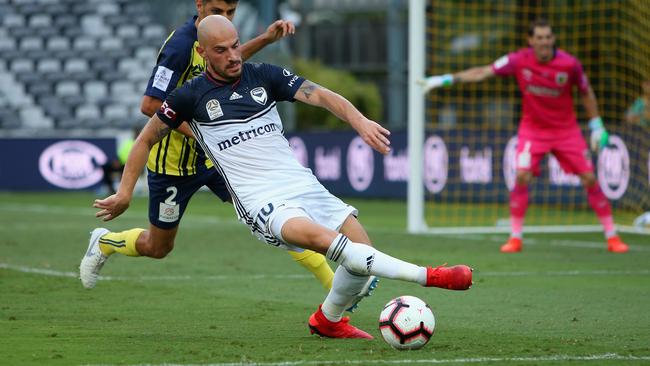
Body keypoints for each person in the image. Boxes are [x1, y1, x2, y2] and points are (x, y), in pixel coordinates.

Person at [93, 15, 473, 339]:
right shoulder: (189, 96)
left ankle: (328, 321)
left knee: (359, 256)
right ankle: (433, 276)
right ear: (202, 53)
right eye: (221, 50)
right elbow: (144, 139)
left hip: (302, 183)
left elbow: (323, 95)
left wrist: (359, 121)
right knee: (332, 244)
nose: (233, 56)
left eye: (236, 46)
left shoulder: (264, 76)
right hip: (261, 202)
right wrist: (125, 192)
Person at [80, 0, 353, 304]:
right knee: (158, 247)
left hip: (219, 157)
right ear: (199, 5)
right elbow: (150, 105)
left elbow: (226, 63)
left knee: (274, 208)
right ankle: (106, 241)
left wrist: (265, 38)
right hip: (173, 164)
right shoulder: (182, 45)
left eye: (231, 12)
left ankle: (337, 292)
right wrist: (202, 129)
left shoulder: (217, 42)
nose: (225, 18)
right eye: (217, 11)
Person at [421, 18, 629, 253]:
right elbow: (483, 72)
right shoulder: (518, 59)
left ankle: (612, 237)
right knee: (521, 175)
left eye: (548, 37)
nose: (544, 42)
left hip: (565, 130)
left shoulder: (570, 64)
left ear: (553, 39)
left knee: (589, 178)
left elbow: (586, 91)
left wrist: (597, 125)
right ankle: (515, 237)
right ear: (531, 40)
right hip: (533, 131)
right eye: (539, 38)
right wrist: (446, 79)